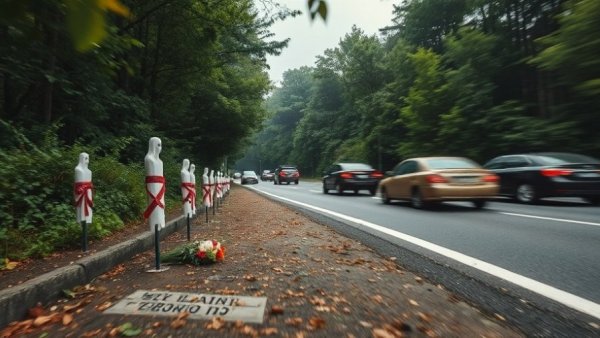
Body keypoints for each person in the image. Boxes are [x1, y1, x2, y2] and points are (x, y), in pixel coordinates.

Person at [144, 137, 165, 230]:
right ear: (153, 145)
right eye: (158, 145)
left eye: (161, 145)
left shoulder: (160, 162)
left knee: (160, 208)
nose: (160, 148)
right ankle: (154, 225)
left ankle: (160, 223)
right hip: (154, 189)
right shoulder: (149, 159)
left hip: (160, 188)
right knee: (155, 207)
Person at [74, 152, 93, 224]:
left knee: (88, 207)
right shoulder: (78, 169)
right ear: (81, 159)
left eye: (88, 158)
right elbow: (79, 184)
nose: (87, 160)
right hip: (81, 192)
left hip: (88, 192)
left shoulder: (89, 171)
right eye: (85, 158)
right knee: (81, 209)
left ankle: (87, 220)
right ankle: (82, 220)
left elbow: (89, 183)